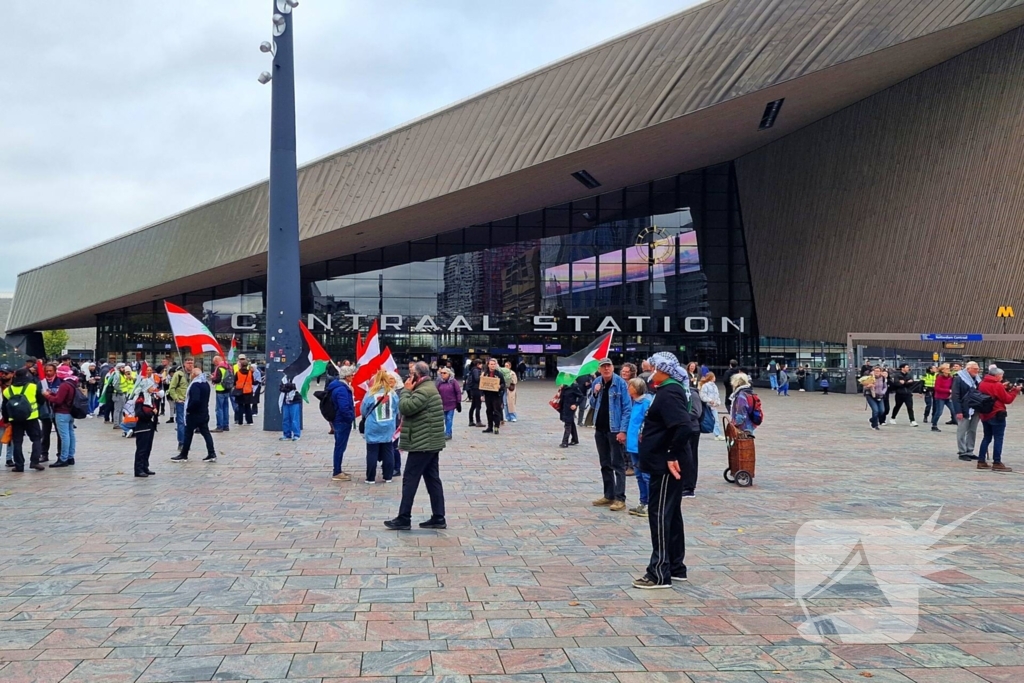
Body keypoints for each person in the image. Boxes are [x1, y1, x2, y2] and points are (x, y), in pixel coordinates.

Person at [632, 352, 696, 589]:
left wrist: (671, 454)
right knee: (671, 514)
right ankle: (675, 566)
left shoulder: (669, 392)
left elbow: (683, 426)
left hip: (667, 466)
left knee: (659, 514)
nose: (650, 373)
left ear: (664, 371)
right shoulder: (670, 390)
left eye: (653, 369)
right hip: (664, 462)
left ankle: (659, 572)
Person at [384, 362, 447, 530]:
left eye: (411, 374)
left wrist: (405, 390)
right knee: (432, 479)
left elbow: (405, 407)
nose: (408, 377)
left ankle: (404, 518)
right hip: (429, 441)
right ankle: (438, 517)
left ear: (418, 376)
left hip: (423, 443)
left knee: (410, 480)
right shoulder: (428, 387)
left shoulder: (423, 391)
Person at [589, 359, 631, 512]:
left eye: (609, 366)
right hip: (600, 429)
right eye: (603, 367)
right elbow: (592, 404)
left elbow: (627, 408)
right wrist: (595, 392)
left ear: (613, 368)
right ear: (599, 369)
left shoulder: (620, 383)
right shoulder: (597, 382)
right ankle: (609, 495)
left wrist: (623, 430)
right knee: (605, 463)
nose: (606, 369)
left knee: (618, 464)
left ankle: (620, 498)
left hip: (615, 429)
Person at [1, 368, 45, 472]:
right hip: (31, 418)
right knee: (36, 439)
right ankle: (35, 462)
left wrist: (6, 420)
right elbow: (41, 400)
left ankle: (19, 465)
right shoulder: (33, 387)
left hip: (15, 420)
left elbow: (4, 407)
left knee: (17, 442)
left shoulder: (7, 390)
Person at [362, 368, 400, 483]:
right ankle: (388, 476)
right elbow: (396, 410)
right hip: (388, 426)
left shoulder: (370, 394)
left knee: (372, 451)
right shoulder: (393, 394)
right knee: (388, 450)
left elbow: (364, 410)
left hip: (373, 425)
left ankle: (370, 478)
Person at [976, 365, 1017, 472]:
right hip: (996, 413)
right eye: (1001, 376)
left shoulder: (982, 383)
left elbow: (990, 392)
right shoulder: (997, 385)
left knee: (987, 437)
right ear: (997, 375)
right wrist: (1015, 391)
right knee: (998, 438)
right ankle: (997, 462)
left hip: (985, 414)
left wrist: (1002, 387)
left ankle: (981, 461)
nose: (1002, 378)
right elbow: (1007, 399)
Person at [172, 367, 218, 462]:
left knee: (188, 434)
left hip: (194, 414)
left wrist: (188, 409)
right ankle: (212, 453)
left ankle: (184, 454)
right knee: (206, 433)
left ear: (194, 374)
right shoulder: (205, 384)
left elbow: (195, 400)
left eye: (191, 373)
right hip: (204, 412)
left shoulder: (195, 385)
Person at [625, 377, 653, 517]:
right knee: (639, 475)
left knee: (646, 475)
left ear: (636, 389)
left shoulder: (646, 402)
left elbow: (647, 423)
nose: (627, 388)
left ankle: (649, 504)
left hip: (641, 444)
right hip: (632, 444)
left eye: (630, 386)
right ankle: (643, 501)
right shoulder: (633, 402)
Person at [42, 365, 78, 468]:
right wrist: (52, 394)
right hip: (70, 412)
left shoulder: (64, 385)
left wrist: (47, 396)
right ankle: (70, 457)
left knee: (64, 436)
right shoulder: (72, 383)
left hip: (62, 413)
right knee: (71, 435)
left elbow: (58, 400)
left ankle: (63, 458)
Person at [326, 365, 357, 481]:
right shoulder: (342, 390)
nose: (353, 377)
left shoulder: (338, 387)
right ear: (346, 376)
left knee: (339, 446)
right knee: (340, 446)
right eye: (352, 375)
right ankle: (337, 472)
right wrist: (350, 418)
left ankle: (338, 469)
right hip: (342, 421)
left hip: (338, 420)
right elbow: (344, 407)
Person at [130, 375, 162, 477]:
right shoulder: (140, 398)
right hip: (142, 427)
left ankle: (145, 467)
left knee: (148, 448)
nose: (153, 388)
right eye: (151, 386)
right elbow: (139, 413)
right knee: (141, 449)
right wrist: (151, 413)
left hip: (150, 426)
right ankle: (138, 469)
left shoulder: (151, 397)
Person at [951, 361, 983, 461]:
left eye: (978, 369)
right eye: (975, 369)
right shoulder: (959, 378)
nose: (977, 371)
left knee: (972, 430)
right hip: (964, 408)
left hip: (975, 408)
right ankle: (962, 451)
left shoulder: (978, 379)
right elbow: (955, 396)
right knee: (962, 430)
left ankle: (970, 450)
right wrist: (958, 411)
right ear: (968, 369)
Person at [167, 358, 193, 451]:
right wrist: (176, 399)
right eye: (188, 363)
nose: (190, 364)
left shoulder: (193, 375)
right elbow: (171, 388)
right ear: (184, 364)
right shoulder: (178, 374)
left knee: (189, 423)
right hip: (181, 402)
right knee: (181, 422)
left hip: (190, 402)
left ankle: (187, 442)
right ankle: (181, 442)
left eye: (191, 363)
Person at [38, 362, 60, 463]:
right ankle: (44, 453)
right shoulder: (41, 382)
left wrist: (51, 393)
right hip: (45, 410)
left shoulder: (60, 381)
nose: (48, 373)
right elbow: (37, 396)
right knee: (45, 433)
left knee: (60, 433)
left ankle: (60, 453)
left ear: (55, 371)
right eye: (46, 371)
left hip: (57, 409)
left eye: (50, 370)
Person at [480, 358, 506, 435]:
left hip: (496, 395)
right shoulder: (485, 374)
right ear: (488, 365)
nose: (493, 366)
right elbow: (481, 385)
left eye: (494, 364)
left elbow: (503, 384)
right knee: (489, 411)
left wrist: (499, 386)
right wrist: (482, 395)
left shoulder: (499, 374)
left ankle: (496, 426)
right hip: (488, 395)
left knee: (497, 411)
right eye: (491, 364)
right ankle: (490, 427)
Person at [435, 367, 461, 440]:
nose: (442, 374)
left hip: (451, 403)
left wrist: (458, 402)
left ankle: (448, 433)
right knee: (444, 419)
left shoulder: (453, 381)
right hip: (442, 403)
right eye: (441, 373)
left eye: (444, 373)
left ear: (449, 373)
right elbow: (436, 392)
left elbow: (458, 392)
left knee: (449, 418)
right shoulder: (439, 382)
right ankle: (447, 432)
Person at [699, 372, 725, 441]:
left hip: (713, 406)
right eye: (714, 377)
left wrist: (718, 402)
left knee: (716, 420)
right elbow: (703, 396)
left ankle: (717, 434)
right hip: (707, 406)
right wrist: (710, 400)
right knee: (705, 419)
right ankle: (716, 434)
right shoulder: (705, 386)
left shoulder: (714, 386)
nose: (715, 378)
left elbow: (717, 395)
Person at [558, 381, 582, 448]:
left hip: (570, 408)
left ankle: (564, 442)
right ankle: (575, 439)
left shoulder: (574, 387)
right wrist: (560, 390)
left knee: (567, 424)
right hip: (563, 408)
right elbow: (561, 398)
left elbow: (581, 396)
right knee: (570, 422)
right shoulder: (564, 387)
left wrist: (576, 404)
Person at [233, 355, 256, 426]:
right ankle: (249, 421)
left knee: (240, 406)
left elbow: (234, 382)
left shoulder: (238, 373)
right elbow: (253, 382)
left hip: (240, 392)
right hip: (248, 392)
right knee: (248, 406)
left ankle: (240, 421)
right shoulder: (250, 373)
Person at [931, 363, 954, 432]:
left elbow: (952, 386)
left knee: (954, 410)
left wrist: (951, 393)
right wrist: (948, 390)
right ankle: (934, 425)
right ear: (943, 370)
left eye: (949, 368)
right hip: (940, 397)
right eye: (947, 368)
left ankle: (959, 425)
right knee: (939, 412)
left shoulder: (950, 377)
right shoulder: (939, 377)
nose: (948, 369)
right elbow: (937, 388)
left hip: (948, 397)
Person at [211, 355, 231, 432]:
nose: (214, 364)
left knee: (219, 409)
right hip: (227, 390)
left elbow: (218, 380)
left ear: (216, 361)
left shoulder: (219, 368)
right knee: (226, 408)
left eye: (214, 362)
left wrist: (213, 378)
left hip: (220, 390)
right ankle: (226, 425)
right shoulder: (228, 366)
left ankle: (220, 426)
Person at [280, 374, 303, 441]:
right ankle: (286, 434)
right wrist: (289, 387)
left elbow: (297, 387)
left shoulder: (298, 378)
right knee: (285, 419)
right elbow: (281, 388)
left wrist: (288, 387)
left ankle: (296, 434)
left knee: (294, 419)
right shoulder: (283, 379)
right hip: (285, 401)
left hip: (295, 401)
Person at [465, 359, 483, 427]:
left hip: (473, 389)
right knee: (478, 405)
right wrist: (482, 376)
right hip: (476, 389)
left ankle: (471, 421)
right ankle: (478, 421)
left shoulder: (472, 369)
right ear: (478, 364)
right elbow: (477, 379)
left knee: (473, 406)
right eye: (481, 364)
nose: (482, 365)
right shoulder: (476, 370)